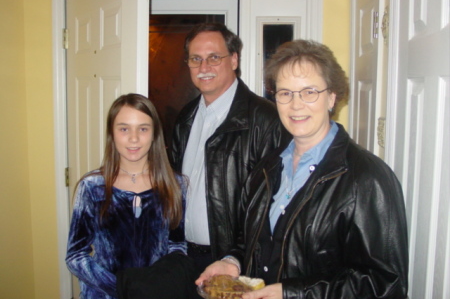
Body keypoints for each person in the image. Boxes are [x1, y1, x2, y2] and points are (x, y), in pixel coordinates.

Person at [197, 39, 409, 299]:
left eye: (309, 92)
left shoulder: (367, 178)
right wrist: (232, 261)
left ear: (332, 97)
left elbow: (384, 284)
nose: (296, 105)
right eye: (285, 93)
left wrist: (291, 294)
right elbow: (254, 242)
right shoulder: (267, 167)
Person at [169, 23, 291, 273]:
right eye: (196, 59)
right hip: (182, 256)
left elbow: (275, 205)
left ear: (234, 59)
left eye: (214, 57)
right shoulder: (186, 117)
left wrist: (237, 258)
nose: (204, 68)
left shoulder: (266, 120)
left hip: (233, 265)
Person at [66, 94, 188, 299]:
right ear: (112, 134)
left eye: (143, 129)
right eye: (124, 129)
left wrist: (159, 284)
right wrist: (123, 289)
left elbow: (177, 245)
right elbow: (76, 256)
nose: (134, 138)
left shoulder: (175, 185)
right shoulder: (92, 187)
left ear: (154, 134)